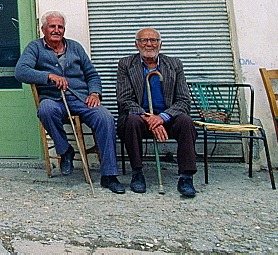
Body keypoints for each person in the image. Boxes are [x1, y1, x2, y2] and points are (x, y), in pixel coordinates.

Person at [14, 12, 125, 193]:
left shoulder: (75, 47)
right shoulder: (35, 47)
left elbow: (92, 75)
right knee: (45, 109)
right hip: (55, 99)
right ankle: (65, 150)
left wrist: (95, 93)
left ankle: (109, 175)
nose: (57, 30)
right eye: (52, 26)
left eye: (60, 27)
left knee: (105, 117)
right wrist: (48, 76)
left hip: (81, 98)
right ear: (43, 29)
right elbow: (20, 71)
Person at [116, 28, 198, 197]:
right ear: (136, 44)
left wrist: (161, 117)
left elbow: (184, 100)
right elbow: (124, 99)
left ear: (160, 44)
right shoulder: (125, 64)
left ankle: (186, 177)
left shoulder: (174, 64)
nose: (149, 44)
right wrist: (149, 118)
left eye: (153, 40)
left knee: (186, 121)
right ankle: (137, 173)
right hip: (140, 117)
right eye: (144, 40)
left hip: (167, 117)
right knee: (131, 120)